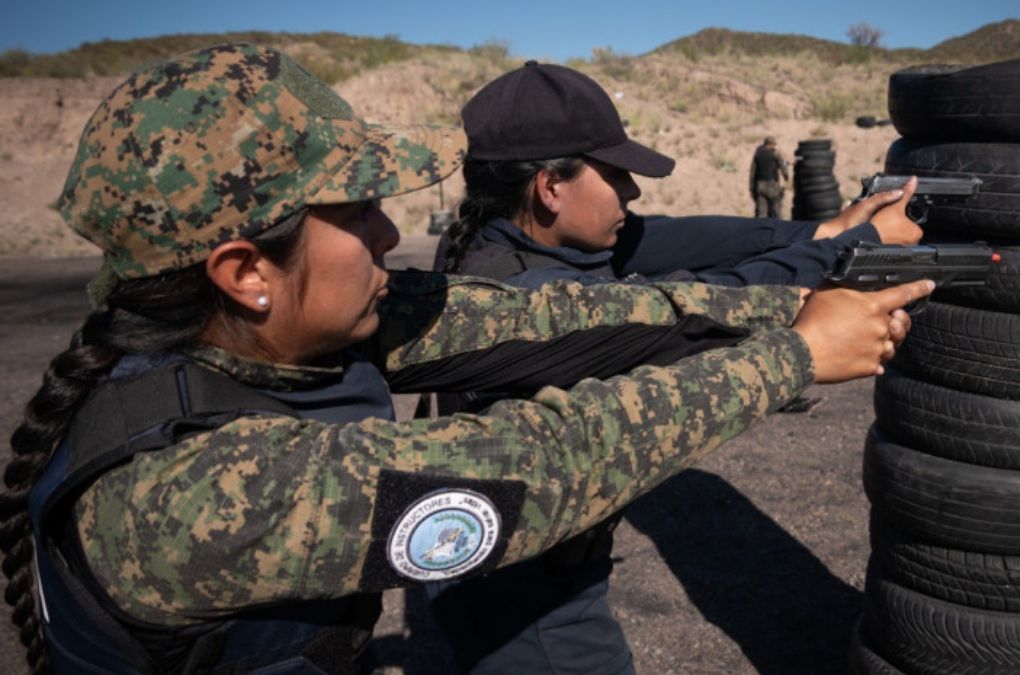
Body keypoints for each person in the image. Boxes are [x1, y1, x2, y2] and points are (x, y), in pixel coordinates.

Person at [0, 44, 930, 675]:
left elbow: (563, 317)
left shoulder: (260, 335)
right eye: (356, 212)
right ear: (246, 272)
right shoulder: (187, 494)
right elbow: (543, 461)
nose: (390, 231)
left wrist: (791, 307)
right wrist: (791, 358)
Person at [426, 62, 924, 675]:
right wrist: (846, 248)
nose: (632, 192)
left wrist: (825, 228)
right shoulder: (532, 299)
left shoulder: (489, 239)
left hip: (492, 569)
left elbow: (679, 238)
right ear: (551, 187)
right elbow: (694, 302)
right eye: (615, 175)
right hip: (530, 603)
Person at [750, 135, 789, 218]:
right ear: (771, 144)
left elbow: (752, 173)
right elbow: (783, 166)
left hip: (760, 186)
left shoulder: (758, 154)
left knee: (761, 214)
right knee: (777, 212)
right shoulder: (775, 153)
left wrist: (751, 188)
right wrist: (786, 177)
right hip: (772, 186)